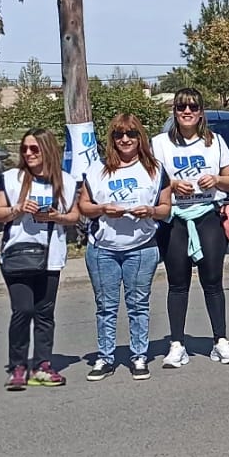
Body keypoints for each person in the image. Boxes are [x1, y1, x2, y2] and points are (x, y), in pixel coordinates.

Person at [76, 114, 172, 381]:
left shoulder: (155, 169)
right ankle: (105, 358)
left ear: (140, 137)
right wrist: (102, 209)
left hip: (141, 247)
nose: (125, 139)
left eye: (131, 134)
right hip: (103, 248)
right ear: (112, 139)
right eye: (119, 135)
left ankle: (139, 356)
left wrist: (150, 210)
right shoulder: (97, 168)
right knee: (106, 306)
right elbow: (84, 205)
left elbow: (165, 208)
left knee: (138, 305)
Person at [153, 89, 229, 367]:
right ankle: (177, 344)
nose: (187, 111)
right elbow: (151, 180)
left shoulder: (215, 142)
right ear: (175, 112)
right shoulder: (160, 143)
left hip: (207, 215)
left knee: (213, 281)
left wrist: (216, 179)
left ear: (201, 112)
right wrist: (171, 185)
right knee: (177, 284)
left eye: (192, 107)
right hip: (175, 219)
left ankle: (220, 341)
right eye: (181, 107)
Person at [0, 128, 80, 389]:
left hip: (50, 255)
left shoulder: (66, 181)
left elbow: (74, 216)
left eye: (34, 149)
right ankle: (18, 365)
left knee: (44, 312)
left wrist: (55, 216)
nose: (28, 153)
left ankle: (43, 365)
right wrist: (17, 209)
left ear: (47, 150)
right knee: (23, 310)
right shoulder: (11, 178)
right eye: (25, 149)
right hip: (18, 253)